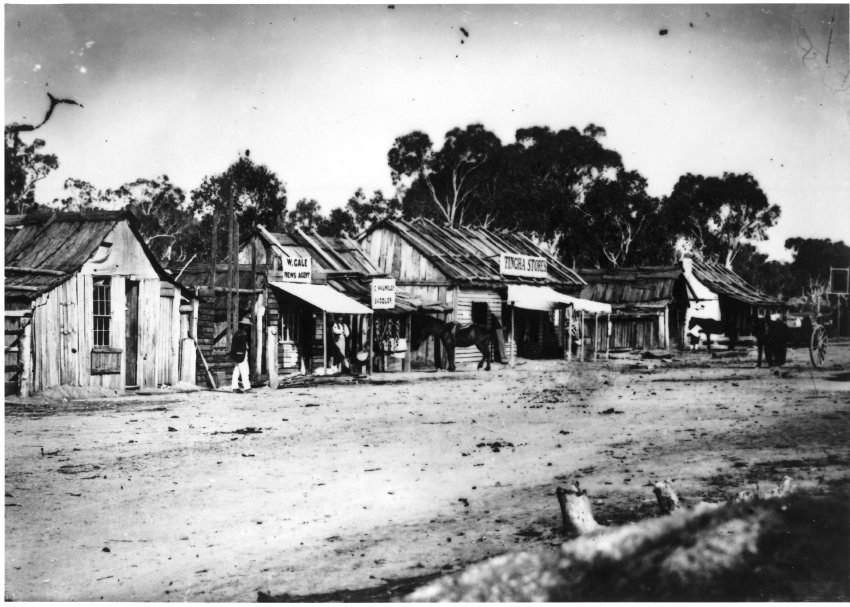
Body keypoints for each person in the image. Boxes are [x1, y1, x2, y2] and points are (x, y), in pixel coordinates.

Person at [230, 317, 251, 392]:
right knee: (244, 370)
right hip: (241, 354)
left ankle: (235, 387)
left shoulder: (238, 333)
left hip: (239, 354)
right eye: (247, 325)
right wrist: (241, 354)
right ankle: (247, 387)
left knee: (237, 370)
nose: (248, 327)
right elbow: (240, 346)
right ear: (244, 326)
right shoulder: (242, 334)